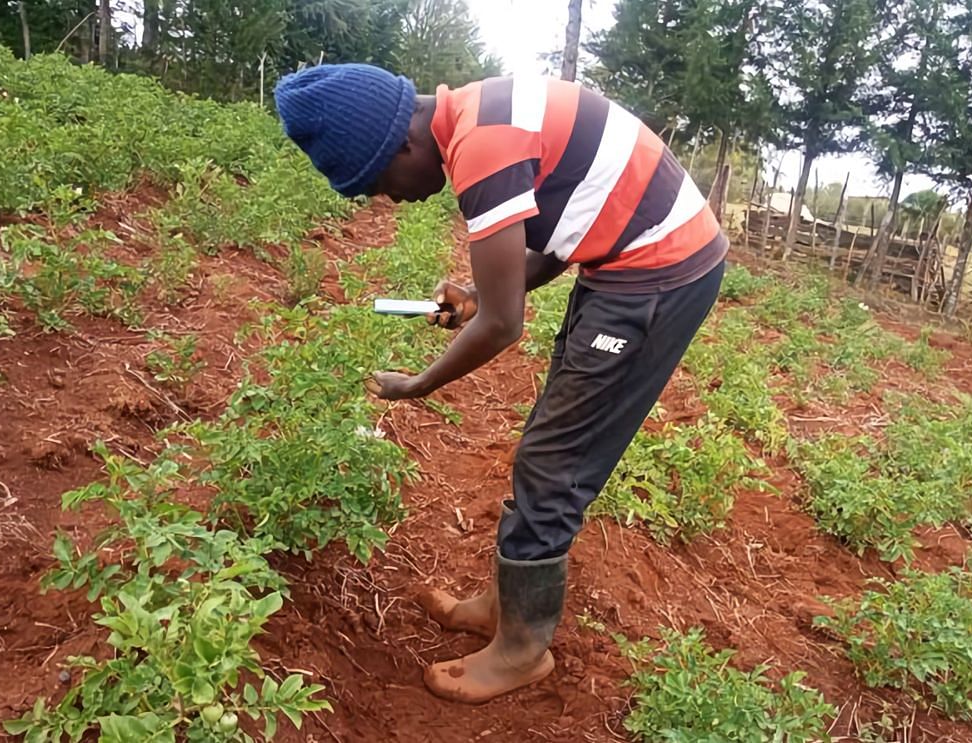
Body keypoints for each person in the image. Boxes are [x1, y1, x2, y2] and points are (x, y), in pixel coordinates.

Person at [274, 64, 727, 705]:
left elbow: (502, 324)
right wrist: (476, 291)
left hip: (658, 273)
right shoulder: (480, 113)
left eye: (376, 182)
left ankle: (522, 651)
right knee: (552, 437)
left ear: (402, 144)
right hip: (624, 260)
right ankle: (503, 609)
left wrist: (418, 385)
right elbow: (567, 225)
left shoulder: (483, 147)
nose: (388, 198)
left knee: (554, 463)